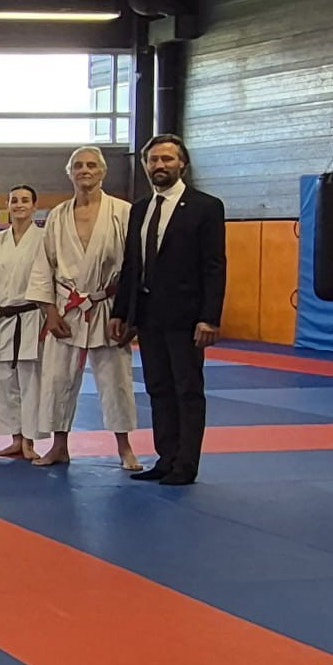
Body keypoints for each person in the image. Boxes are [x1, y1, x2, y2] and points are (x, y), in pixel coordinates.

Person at [113, 133, 226, 486]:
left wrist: (209, 317)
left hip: (187, 316)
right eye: (154, 160)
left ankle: (186, 464)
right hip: (149, 315)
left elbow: (214, 265)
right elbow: (132, 265)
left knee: (187, 390)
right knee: (158, 388)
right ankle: (166, 457)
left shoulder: (206, 207)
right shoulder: (140, 209)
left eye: (167, 159)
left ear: (183, 164)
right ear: (146, 165)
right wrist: (121, 312)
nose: (160, 165)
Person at [37, 147, 142, 471]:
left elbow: (134, 267)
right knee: (57, 379)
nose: (85, 170)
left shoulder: (122, 212)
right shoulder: (57, 215)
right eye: (79, 165)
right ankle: (59, 446)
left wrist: (127, 314)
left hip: (108, 306)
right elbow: (44, 266)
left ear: (103, 172)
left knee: (116, 380)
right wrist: (50, 312)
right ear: (70, 173)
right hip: (66, 308)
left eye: (92, 165)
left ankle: (125, 447)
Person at [0, 184, 51, 462]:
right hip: (0, 318)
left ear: (34, 206)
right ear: (7, 205)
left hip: (32, 317)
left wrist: (50, 317)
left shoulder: (44, 239)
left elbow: (52, 281)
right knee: (3, 382)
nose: (19, 205)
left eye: (24, 200)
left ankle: (30, 440)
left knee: (31, 382)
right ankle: (15, 439)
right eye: (14, 200)